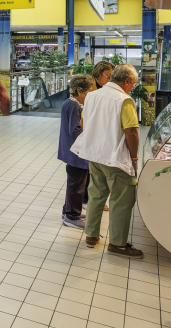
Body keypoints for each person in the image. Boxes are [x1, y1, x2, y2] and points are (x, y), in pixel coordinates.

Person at [70, 63, 143, 258]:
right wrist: (134, 157)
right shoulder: (124, 100)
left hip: (95, 155)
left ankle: (91, 235)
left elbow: (83, 123)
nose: (133, 87)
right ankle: (118, 244)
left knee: (96, 194)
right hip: (115, 158)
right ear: (127, 81)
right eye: (133, 83)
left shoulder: (92, 96)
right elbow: (131, 132)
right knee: (122, 199)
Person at [59, 74, 95, 228]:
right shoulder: (74, 106)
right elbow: (75, 130)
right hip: (76, 153)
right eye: (88, 92)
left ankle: (70, 210)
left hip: (72, 152)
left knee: (75, 183)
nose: (89, 96)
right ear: (79, 91)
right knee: (77, 185)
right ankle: (71, 216)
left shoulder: (70, 103)